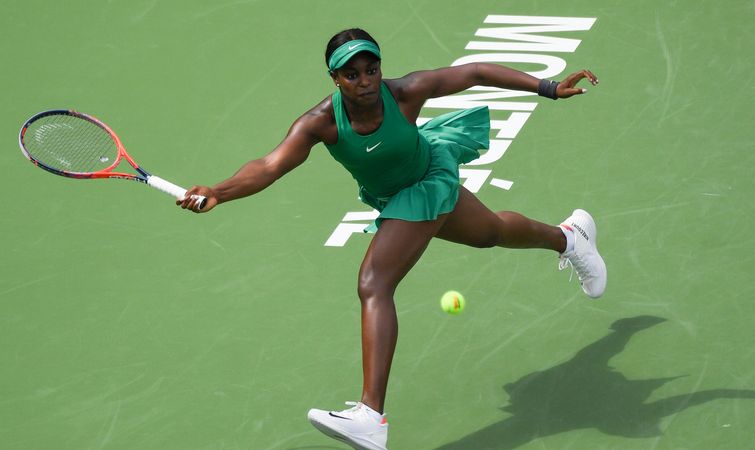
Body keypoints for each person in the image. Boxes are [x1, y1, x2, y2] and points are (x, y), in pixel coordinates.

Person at [178, 28, 606, 450]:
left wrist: (547, 86)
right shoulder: (319, 124)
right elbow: (269, 165)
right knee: (490, 232)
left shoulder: (403, 93)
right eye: (352, 75)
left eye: (371, 69)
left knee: (374, 282)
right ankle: (570, 238)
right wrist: (219, 191)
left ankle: (370, 415)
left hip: (424, 182)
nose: (364, 82)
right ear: (335, 80)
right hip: (397, 192)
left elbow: (474, 72)